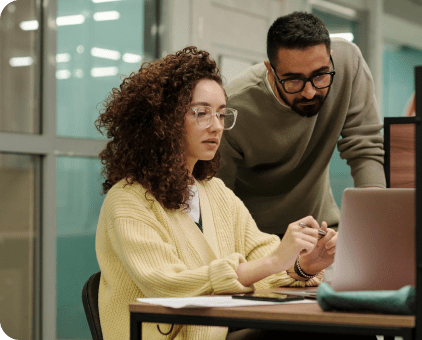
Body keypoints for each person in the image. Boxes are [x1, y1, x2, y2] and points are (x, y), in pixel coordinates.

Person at [94, 46, 338, 340]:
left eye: (222, 115)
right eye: (201, 113)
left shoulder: (216, 192)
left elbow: (261, 264)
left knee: (338, 332)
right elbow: (167, 286)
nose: (216, 126)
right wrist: (274, 261)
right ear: (164, 120)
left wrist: (302, 264)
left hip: (218, 335)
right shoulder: (127, 200)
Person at [217, 12, 386, 237]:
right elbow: (216, 198)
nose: (309, 92)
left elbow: (365, 147)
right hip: (259, 244)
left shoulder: (348, 63)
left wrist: (373, 228)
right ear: (270, 70)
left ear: (331, 58)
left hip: (321, 232)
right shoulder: (232, 110)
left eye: (320, 75)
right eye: (294, 80)